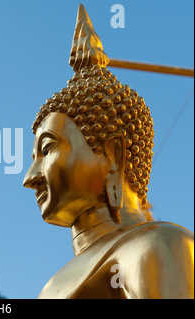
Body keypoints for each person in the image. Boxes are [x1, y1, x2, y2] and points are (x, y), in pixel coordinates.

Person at [23, 4, 194, 299]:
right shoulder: (50, 289)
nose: (30, 177)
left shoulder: (156, 244)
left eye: (47, 149)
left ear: (113, 158)